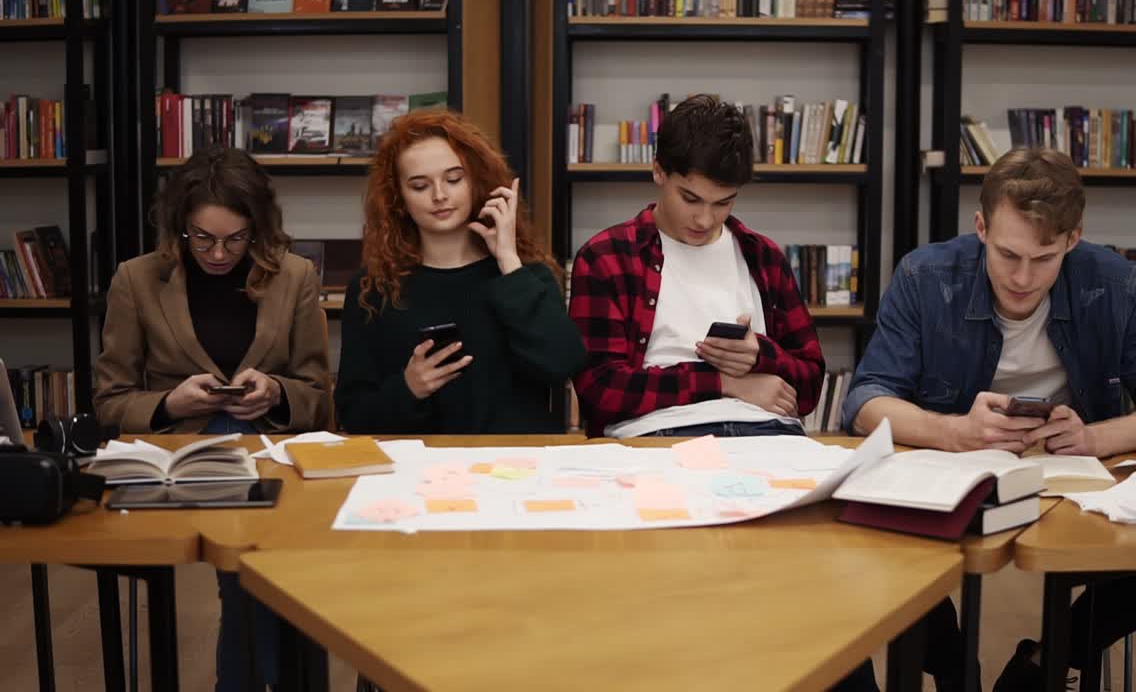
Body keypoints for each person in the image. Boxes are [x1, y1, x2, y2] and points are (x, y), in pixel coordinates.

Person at [841, 147, 1136, 691]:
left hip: (1072, 482)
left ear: (1072, 239)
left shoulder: (1115, 283)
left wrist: (1095, 437)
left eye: (1044, 259)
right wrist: (952, 430)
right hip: (953, 475)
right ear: (981, 226)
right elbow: (865, 400)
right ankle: (952, 667)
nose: (1021, 277)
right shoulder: (926, 276)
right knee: (872, 544)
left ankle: (1050, 659)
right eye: (1007, 254)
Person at [94, 145, 332, 691]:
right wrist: (171, 403)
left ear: (258, 229)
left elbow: (319, 398)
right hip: (177, 461)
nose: (219, 253)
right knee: (258, 569)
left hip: (271, 454)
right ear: (179, 227)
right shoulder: (136, 280)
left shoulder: (294, 276)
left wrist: (273, 392)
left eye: (235, 239)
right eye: (202, 238)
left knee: (261, 571)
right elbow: (109, 401)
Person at [570, 94, 825, 439]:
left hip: (767, 434)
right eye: (690, 198)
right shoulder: (606, 257)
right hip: (660, 433)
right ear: (658, 170)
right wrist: (723, 382)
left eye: (723, 203)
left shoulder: (764, 257)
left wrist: (760, 356)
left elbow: (809, 386)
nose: (705, 219)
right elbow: (600, 390)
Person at [335, 108, 585, 434]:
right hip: (417, 472)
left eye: (454, 179)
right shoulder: (374, 289)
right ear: (399, 199)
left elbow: (563, 363)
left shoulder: (525, 274)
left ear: (476, 181)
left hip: (516, 470)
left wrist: (508, 260)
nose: (440, 195)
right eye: (420, 186)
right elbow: (353, 414)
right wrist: (409, 388)